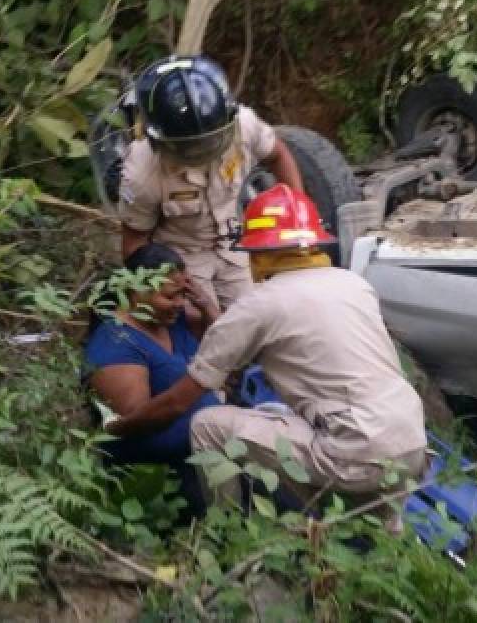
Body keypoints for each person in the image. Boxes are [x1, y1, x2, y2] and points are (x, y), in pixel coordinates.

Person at [104, 185, 428, 521]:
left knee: (207, 425)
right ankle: (357, 535)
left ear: (258, 255)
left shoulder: (259, 304)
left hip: (354, 451)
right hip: (411, 442)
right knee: (277, 415)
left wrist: (115, 430)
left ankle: (226, 529)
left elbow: (176, 403)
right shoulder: (354, 284)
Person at [117, 55, 305, 311]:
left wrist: (298, 214)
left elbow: (279, 155)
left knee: (258, 317)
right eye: (190, 146)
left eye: (206, 142)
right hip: (182, 256)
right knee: (198, 330)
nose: (200, 152)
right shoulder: (142, 172)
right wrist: (154, 297)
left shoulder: (244, 126)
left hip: (234, 245)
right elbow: (135, 245)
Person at [84, 243, 224, 518]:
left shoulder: (177, 321)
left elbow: (226, 345)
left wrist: (207, 307)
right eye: (171, 296)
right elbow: (129, 424)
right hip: (157, 461)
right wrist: (186, 399)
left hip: (201, 444)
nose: (180, 304)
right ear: (136, 293)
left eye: (184, 293)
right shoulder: (117, 342)